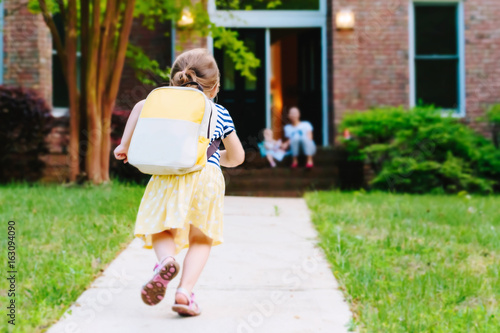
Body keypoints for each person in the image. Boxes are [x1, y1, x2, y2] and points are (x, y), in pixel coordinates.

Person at [113, 48, 245, 316]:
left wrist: (123, 147)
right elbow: (238, 157)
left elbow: (125, 143)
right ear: (215, 86)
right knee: (201, 238)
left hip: (168, 176)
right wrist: (219, 158)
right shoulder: (219, 112)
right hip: (206, 178)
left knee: (160, 228)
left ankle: (166, 261)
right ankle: (185, 293)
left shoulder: (149, 104)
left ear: (174, 80)